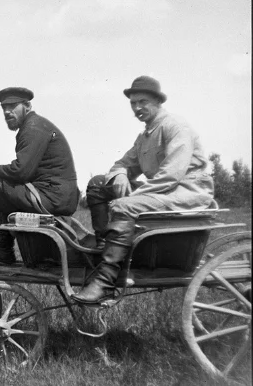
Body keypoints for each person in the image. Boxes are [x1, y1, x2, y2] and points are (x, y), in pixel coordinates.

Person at [72, 75, 214, 304]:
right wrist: (119, 174)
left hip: (187, 191)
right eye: (133, 103)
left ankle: (105, 281)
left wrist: (133, 198)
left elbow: (171, 175)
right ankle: (103, 252)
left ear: (158, 102)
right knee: (98, 185)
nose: (137, 108)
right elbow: (123, 164)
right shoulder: (145, 135)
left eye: (143, 102)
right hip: (163, 191)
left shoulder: (175, 126)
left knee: (124, 205)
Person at [0, 87, 79, 264]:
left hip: (51, 197)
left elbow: (21, 171)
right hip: (56, 196)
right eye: (3, 108)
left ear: (27, 106)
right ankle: (3, 252)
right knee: (1, 189)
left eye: (12, 106)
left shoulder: (33, 127)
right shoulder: (35, 126)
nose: (6, 112)